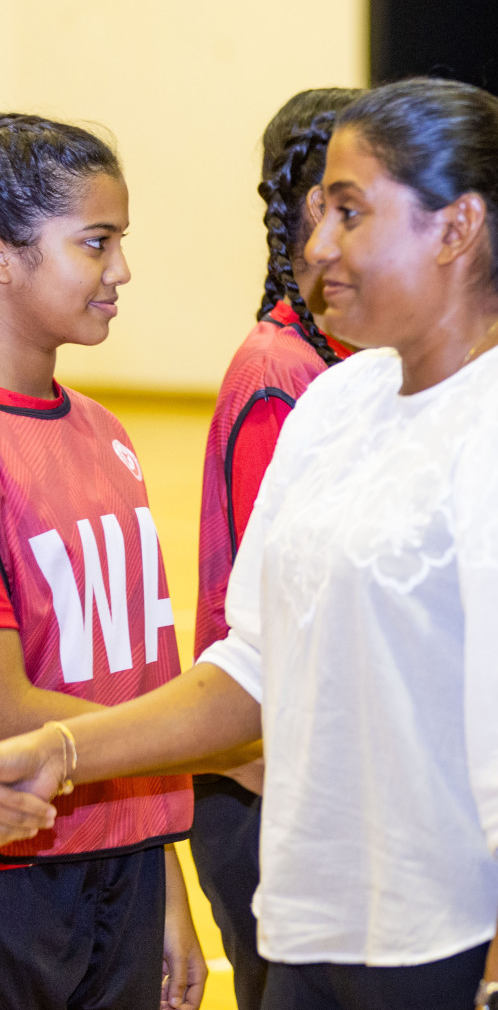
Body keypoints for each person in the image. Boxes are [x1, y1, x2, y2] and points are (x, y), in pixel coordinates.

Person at [0, 79, 498, 1010]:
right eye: (317, 215)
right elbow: (255, 671)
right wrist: (62, 749)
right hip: (323, 933)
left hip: (482, 945)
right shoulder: (340, 403)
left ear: (457, 227)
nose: (316, 247)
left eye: (349, 213)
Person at [0, 114, 205, 1009]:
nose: (121, 272)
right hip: (22, 874)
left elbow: (139, 681)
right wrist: (220, 739)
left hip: (124, 865)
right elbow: (9, 709)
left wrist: (169, 885)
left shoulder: (106, 435)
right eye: (96, 243)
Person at [190, 86, 360, 1010]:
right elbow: (284, 631)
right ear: (310, 209)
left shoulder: (342, 360)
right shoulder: (279, 374)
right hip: (263, 798)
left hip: (315, 793)